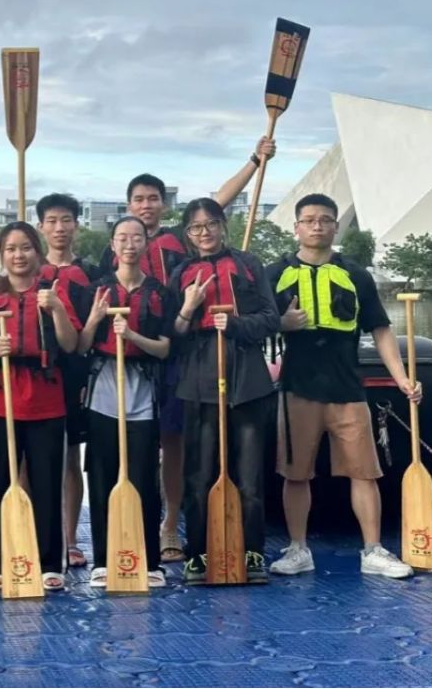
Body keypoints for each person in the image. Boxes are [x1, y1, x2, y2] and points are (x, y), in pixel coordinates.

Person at [100, 136, 276, 563]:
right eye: (138, 199)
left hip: (214, 364)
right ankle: (160, 534)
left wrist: (254, 161)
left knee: (194, 448)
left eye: (153, 199)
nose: (146, 205)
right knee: (162, 446)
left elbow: (217, 201)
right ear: (128, 208)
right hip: (160, 356)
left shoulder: (189, 244)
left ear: (164, 205)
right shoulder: (125, 250)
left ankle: (183, 530)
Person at [266, 194, 419, 579]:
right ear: (297, 227)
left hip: (347, 387)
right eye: (309, 220)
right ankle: (298, 549)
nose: (317, 226)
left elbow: (380, 330)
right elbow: (253, 326)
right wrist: (282, 323)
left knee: (364, 472)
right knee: (295, 474)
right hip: (297, 386)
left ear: (336, 226)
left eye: (325, 220)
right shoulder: (274, 274)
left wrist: (402, 378)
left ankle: (373, 550)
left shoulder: (356, 274)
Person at [167, 198, 279, 584]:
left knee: (249, 477)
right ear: (188, 233)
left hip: (247, 379)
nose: (205, 232)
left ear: (222, 225)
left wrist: (234, 324)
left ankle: (252, 551)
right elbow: (173, 335)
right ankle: (198, 553)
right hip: (198, 379)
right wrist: (189, 309)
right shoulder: (181, 272)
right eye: (197, 227)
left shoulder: (249, 265)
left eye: (211, 224)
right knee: (198, 475)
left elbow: (271, 319)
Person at [0, 221, 81, 591]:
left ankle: (51, 562)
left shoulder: (53, 292)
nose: (19, 255)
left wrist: (58, 310)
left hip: (47, 401)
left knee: (48, 485)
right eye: (11, 249)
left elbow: (70, 344)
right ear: (2, 255)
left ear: (38, 251)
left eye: (26, 247)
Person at [78, 216, 171, 588]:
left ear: (146, 243)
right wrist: (94, 319)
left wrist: (132, 335)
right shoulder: (97, 290)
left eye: (136, 238)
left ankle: (150, 561)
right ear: (112, 245)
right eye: (122, 238)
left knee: (145, 476)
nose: (129, 244)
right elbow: (81, 347)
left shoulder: (159, 293)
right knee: (102, 476)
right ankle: (103, 559)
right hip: (104, 387)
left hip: (143, 389)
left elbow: (165, 349)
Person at [35, 193, 95, 570]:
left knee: (72, 455)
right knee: (31, 458)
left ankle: (70, 539)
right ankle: (34, 535)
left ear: (76, 225)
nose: (59, 228)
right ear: (41, 226)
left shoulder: (89, 273)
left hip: (73, 372)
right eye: (52, 221)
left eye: (66, 220)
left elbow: (92, 332)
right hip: (34, 372)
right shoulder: (27, 270)